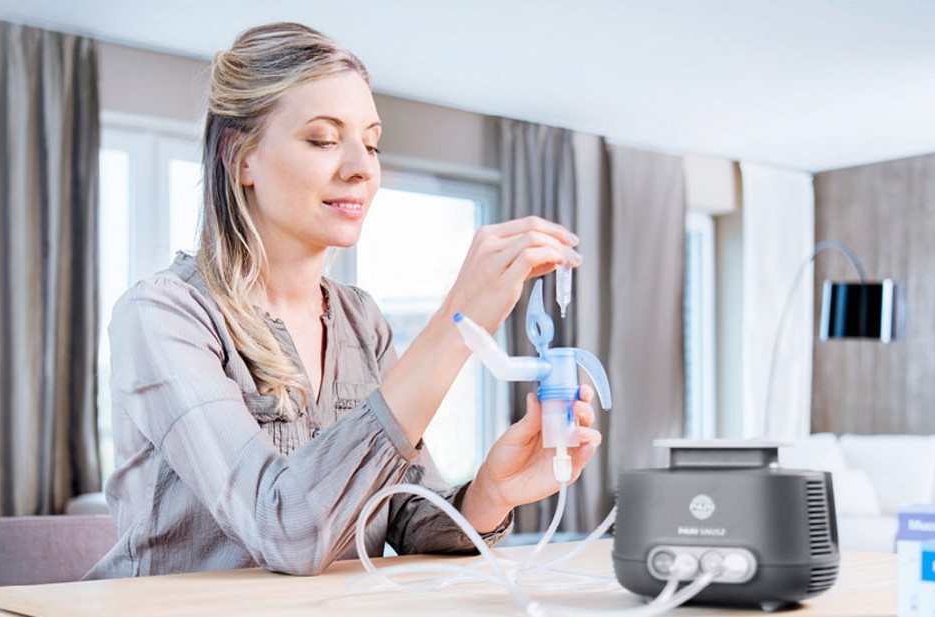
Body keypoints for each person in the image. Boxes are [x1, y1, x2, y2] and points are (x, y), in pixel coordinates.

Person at [84, 22, 602, 579]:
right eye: (324, 139)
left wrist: (490, 494)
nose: (361, 167)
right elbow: (285, 530)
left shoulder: (361, 321)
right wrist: (459, 322)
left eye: (371, 143)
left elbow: (402, 515)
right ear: (241, 158)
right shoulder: (163, 315)